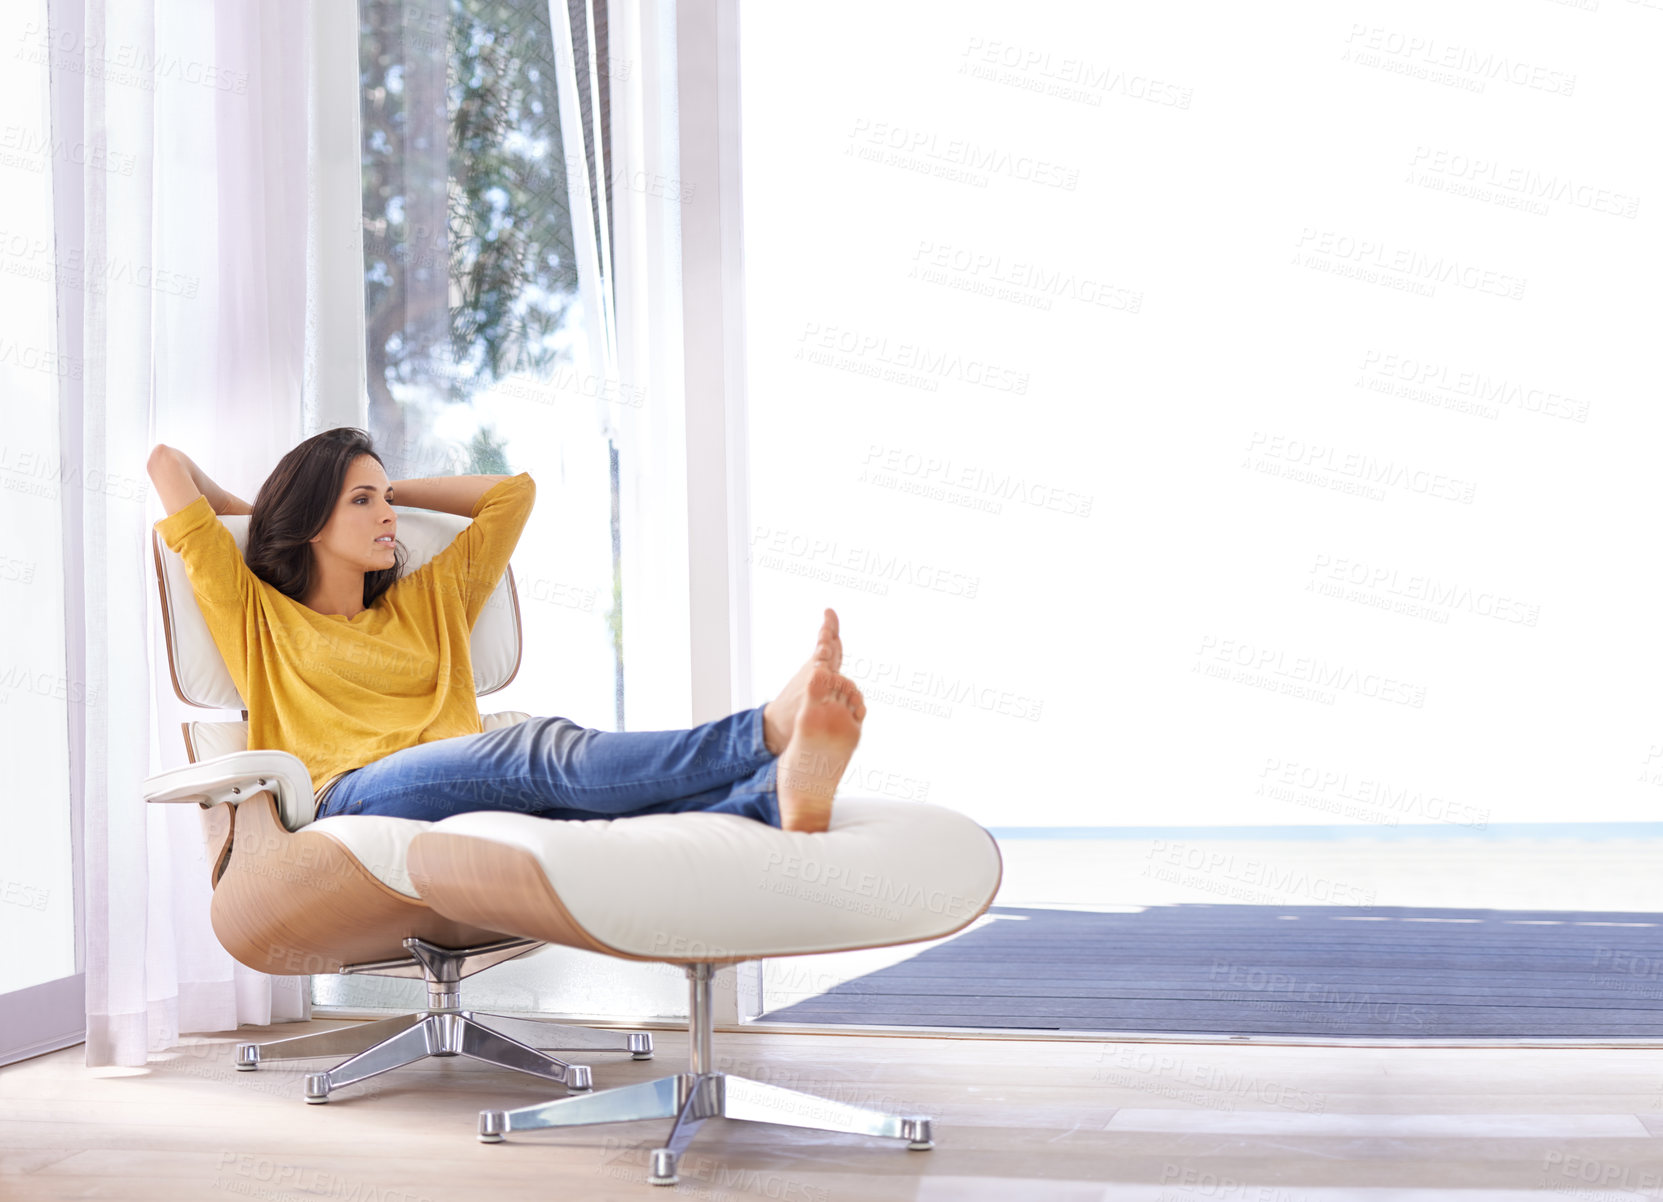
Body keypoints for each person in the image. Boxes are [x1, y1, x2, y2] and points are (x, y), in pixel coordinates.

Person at [146, 427, 863, 833]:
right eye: (362, 501)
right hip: (350, 791)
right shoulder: (256, 616)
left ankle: (771, 799)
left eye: (387, 498)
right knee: (536, 749)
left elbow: (510, 496)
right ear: (309, 519)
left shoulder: (430, 600)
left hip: (461, 772)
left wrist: (386, 490)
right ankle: (762, 733)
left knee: (581, 814)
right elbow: (166, 465)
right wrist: (261, 521)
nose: (388, 515)